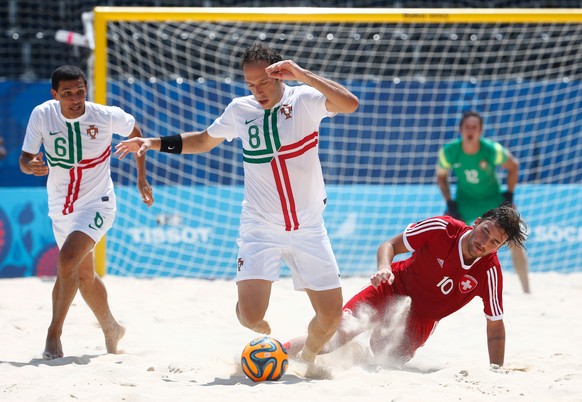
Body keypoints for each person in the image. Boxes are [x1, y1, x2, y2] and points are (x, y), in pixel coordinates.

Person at [114, 44, 359, 376]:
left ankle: (307, 358)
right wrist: (153, 143)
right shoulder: (240, 110)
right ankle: (262, 331)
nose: (256, 91)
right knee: (251, 317)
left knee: (330, 318)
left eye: (263, 83)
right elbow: (202, 140)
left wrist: (301, 74)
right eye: (250, 85)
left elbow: (350, 103)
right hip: (260, 228)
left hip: (308, 228)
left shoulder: (304, 99)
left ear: (281, 74)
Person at [19, 65, 154, 360]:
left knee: (66, 261)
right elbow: (24, 159)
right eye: (67, 93)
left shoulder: (104, 115)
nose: (75, 98)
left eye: (80, 91)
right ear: (55, 95)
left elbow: (137, 133)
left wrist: (141, 176)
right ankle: (112, 327)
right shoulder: (42, 114)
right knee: (83, 276)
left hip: (98, 202)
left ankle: (53, 335)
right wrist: (31, 167)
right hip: (60, 206)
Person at [285, 205, 528, 368]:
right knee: (335, 336)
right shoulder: (442, 228)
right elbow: (389, 245)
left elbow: (495, 327)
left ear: (500, 247)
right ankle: (276, 351)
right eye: (484, 232)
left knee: (384, 359)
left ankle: (358, 352)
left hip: (421, 319)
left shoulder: (490, 272)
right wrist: (385, 268)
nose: (484, 243)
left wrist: (496, 371)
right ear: (477, 223)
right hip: (392, 286)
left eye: (494, 242)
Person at [436, 111, 530, 294]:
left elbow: (514, 166)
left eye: (474, 127)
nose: (470, 131)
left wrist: (509, 197)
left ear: (480, 131)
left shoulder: (491, 149)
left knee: (516, 241)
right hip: (465, 201)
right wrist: (450, 202)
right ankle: (437, 279)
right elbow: (441, 177)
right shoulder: (449, 152)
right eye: (467, 127)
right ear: (461, 130)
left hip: (493, 200)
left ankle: (526, 290)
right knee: (442, 236)